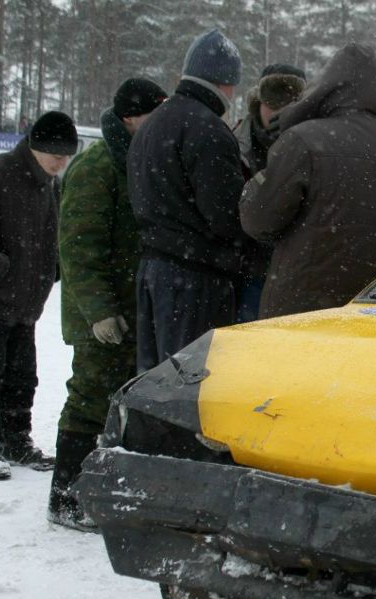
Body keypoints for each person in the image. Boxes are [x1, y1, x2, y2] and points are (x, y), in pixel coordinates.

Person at [48, 77, 166, 529]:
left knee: (120, 403)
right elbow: (78, 246)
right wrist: (99, 311)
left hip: (131, 308)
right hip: (99, 313)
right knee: (89, 399)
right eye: (151, 116)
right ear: (129, 118)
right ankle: (66, 499)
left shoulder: (138, 159)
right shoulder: (97, 166)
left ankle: (100, 490)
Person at [240, 44, 376, 319]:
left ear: (327, 86)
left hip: (297, 314)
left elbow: (258, 220)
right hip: (371, 319)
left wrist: (254, 184)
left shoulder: (302, 142)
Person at [127, 29, 246, 373]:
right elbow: (226, 217)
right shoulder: (207, 128)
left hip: (152, 272)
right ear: (225, 83)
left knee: (153, 382)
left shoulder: (152, 125)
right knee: (188, 388)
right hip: (193, 281)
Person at [0, 111, 77, 480]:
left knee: (22, 376)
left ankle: (17, 439)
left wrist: (53, 269)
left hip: (26, 302)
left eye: (67, 156)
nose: (61, 162)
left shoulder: (48, 182)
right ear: (35, 146)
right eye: (56, 155)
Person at [233, 63, 307, 322]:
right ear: (259, 101)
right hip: (247, 271)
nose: (279, 113)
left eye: (289, 105)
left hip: (295, 274)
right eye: (273, 103)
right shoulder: (237, 142)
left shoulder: (314, 144)